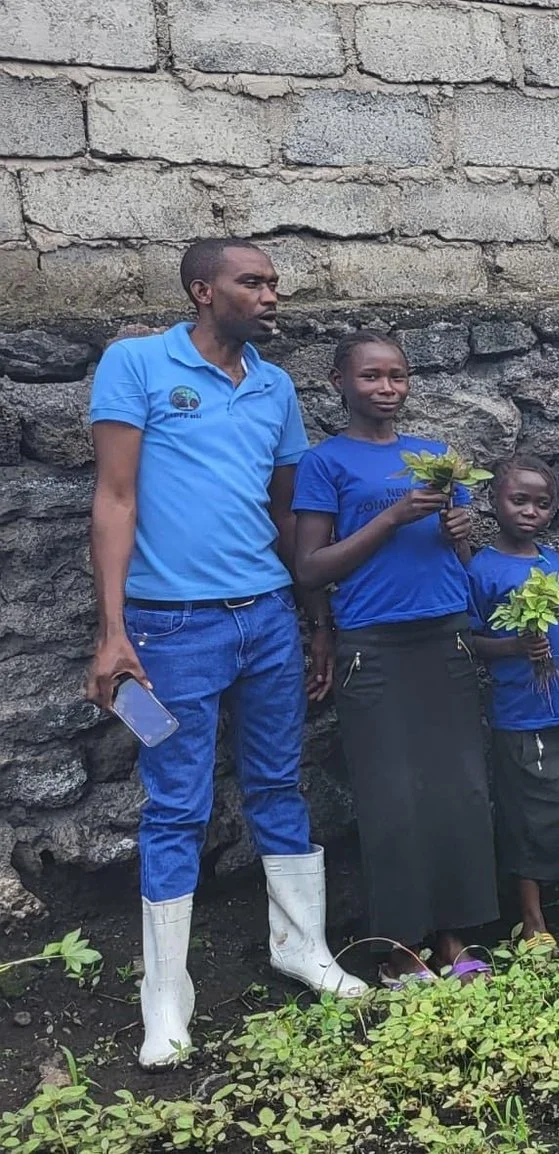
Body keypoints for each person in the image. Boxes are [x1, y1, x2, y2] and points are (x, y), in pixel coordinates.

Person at [86, 239, 367, 1066]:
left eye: (275, 283)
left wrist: (315, 619)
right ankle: (166, 996)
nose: (272, 295)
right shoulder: (136, 365)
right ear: (204, 291)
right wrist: (113, 632)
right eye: (254, 282)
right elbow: (114, 496)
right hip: (171, 629)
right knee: (176, 803)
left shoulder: (274, 386)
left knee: (280, 779)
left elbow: (289, 520)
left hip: (268, 620)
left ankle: (302, 947)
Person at [292, 333, 497, 985]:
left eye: (398, 376)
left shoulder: (435, 458)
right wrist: (391, 519)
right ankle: (399, 949)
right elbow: (310, 567)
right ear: (338, 384)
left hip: (446, 637)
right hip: (373, 648)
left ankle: (455, 935)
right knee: (392, 800)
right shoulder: (325, 464)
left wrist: (461, 535)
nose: (387, 388)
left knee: (458, 791)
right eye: (372, 377)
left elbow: (465, 564)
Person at [466, 456, 559, 947]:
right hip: (523, 712)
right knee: (526, 811)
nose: (531, 511)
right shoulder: (482, 569)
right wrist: (513, 648)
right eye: (519, 500)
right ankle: (532, 919)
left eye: (543, 504)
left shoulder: (552, 561)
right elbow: (469, 641)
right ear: (494, 502)